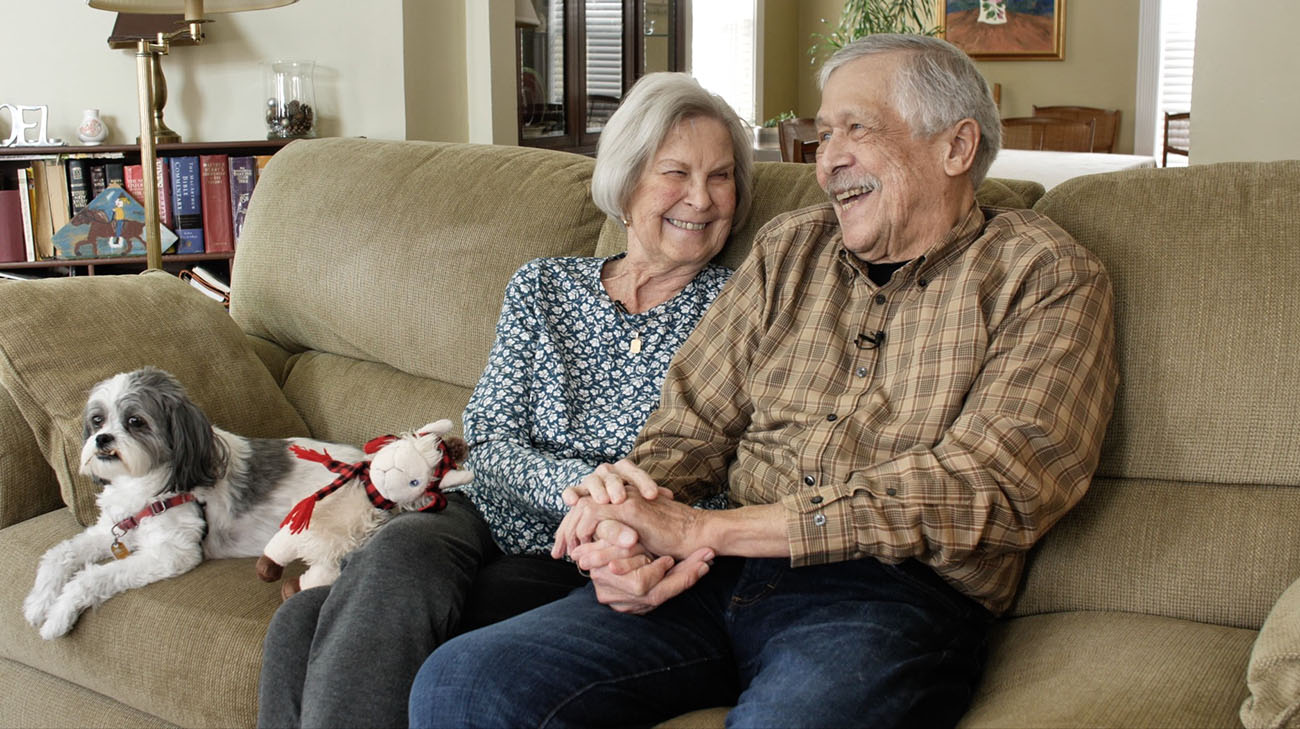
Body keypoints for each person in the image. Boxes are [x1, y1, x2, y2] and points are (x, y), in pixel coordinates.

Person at [408, 34, 1119, 729]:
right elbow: (688, 428)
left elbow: (994, 482)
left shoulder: (1042, 272)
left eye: (855, 129)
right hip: (708, 573)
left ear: (956, 148)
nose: (826, 161)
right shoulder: (790, 249)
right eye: (823, 133)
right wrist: (633, 533)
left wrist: (708, 526)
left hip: (887, 594)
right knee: (464, 683)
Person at [255, 72, 753, 729]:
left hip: (589, 560)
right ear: (628, 181)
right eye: (677, 172)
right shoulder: (543, 285)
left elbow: (736, 475)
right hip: (481, 514)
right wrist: (584, 484)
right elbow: (488, 441)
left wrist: (617, 516)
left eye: (721, 176)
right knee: (384, 564)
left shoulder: (742, 309)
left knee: (306, 622)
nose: (702, 197)